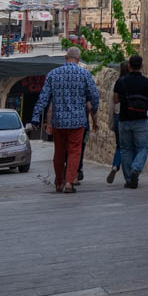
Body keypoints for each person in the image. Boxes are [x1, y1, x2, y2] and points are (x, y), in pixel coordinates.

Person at [31, 45, 99, 193]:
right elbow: (94, 95)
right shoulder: (84, 74)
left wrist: (36, 117)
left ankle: (59, 182)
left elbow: (43, 98)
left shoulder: (53, 74)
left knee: (59, 152)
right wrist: (94, 110)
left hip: (58, 121)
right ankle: (69, 183)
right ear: (78, 59)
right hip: (77, 121)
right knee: (75, 151)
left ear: (65, 58)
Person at [113, 53, 148, 189]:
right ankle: (136, 169)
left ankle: (129, 179)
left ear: (129, 66)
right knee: (142, 147)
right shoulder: (147, 82)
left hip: (124, 119)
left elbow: (115, 100)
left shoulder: (121, 82)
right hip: (140, 120)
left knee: (126, 149)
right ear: (141, 66)